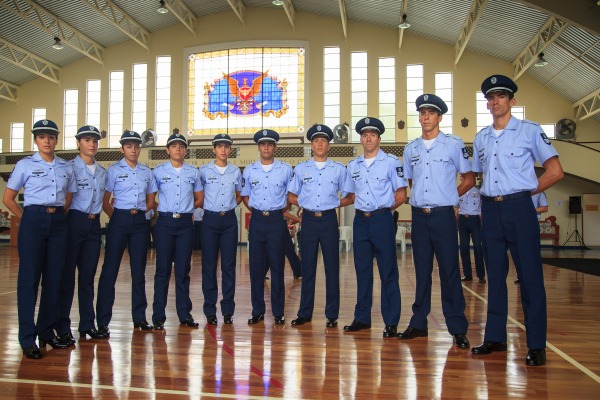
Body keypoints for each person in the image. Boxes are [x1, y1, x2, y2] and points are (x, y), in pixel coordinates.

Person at [471, 74, 564, 366]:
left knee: (530, 277)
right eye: (491, 97)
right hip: (491, 211)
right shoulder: (481, 138)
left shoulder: (530, 131)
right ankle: (496, 338)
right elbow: (478, 177)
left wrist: (526, 191)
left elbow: (555, 170)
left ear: (512, 101)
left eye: (501, 96)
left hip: (519, 209)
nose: (495, 101)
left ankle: (536, 345)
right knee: (495, 277)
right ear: (487, 103)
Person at [398, 94, 473, 349]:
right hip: (420, 217)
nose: (426, 117)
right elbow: (411, 182)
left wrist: (450, 196)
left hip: (443, 216)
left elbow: (469, 179)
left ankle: (457, 327)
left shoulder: (453, 145)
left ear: (440, 117)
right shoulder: (411, 149)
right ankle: (419, 323)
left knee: (450, 271)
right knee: (421, 272)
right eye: (422, 113)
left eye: (431, 113)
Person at [2, 119, 76, 359]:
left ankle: (46, 332)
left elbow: (69, 196)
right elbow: (9, 198)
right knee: (29, 280)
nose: (46, 140)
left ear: (56, 140)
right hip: (33, 220)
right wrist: (26, 218)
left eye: (51, 136)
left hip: (58, 224)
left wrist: (56, 215)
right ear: (35, 140)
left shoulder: (65, 167)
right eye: (42, 136)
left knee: (54, 280)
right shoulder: (24, 165)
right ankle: (27, 338)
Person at [342, 117, 407, 338]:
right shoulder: (353, 166)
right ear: (361, 139)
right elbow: (350, 196)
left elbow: (401, 194)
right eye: (364, 135)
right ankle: (362, 318)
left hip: (382, 220)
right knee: (362, 272)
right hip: (360, 221)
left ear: (379, 138)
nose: (368, 138)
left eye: (372, 134)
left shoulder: (391, 162)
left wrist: (386, 210)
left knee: (388, 271)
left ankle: (391, 322)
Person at [288, 124, 353, 328]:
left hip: (328, 220)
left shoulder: (339, 169)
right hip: (308, 220)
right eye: (316, 140)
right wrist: (305, 203)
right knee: (307, 267)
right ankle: (304, 312)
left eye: (323, 140)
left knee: (332, 267)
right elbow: (290, 195)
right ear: (311, 145)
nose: (320, 143)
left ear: (329, 145)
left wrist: (335, 203)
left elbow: (350, 196)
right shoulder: (300, 169)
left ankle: (332, 314)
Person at [96, 130, 158, 337]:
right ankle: (103, 321)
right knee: (110, 270)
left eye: (136, 146)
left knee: (138, 271)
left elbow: (151, 201)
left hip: (140, 221)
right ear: (122, 149)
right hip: (119, 220)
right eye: (129, 146)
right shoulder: (113, 171)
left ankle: (139, 317)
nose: (133, 150)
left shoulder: (146, 172)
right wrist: (118, 217)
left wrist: (141, 215)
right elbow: (106, 202)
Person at [56, 125, 108, 344]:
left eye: (94, 141)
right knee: (67, 279)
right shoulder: (69, 169)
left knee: (87, 279)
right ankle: (62, 327)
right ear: (79, 143)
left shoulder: (103, 172)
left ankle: (87, 323)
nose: (92, 144)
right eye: (87, 140)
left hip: (93, 226)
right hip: (74, 223)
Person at [151, 132, 203, 330]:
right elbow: (151, 198)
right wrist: (163, 209)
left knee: (183, 270)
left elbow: (199, 198)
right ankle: (158, 316)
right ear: (168, 150)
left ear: (185, 150)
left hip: (185, 226)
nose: (178, 149)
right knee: (162, 270)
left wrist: (187, 210)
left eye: (181, 146)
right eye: (174, 146)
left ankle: (184, 314)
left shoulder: (193, 172)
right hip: (164, 223)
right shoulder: (158, 171)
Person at [241, 129, 293, 325]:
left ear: (275, 147)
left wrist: (279, 211)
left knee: (277, 266)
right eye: (263, 144)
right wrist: (256, 210)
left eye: (270, 144)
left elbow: (289, 196)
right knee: (256, 268)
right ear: (258, 148)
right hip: (257, 222)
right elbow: (245, 196)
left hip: (276, 221)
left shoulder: (286, 170)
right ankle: (257, 310)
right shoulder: (249, 170)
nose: (266, 147)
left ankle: (278, 312)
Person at [199, 133, 242, 325]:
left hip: (229, 222)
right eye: (219, 146)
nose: (223, 150)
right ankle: (209, 310)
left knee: (228, 266)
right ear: (214, 149)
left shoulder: (235, 172)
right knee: (209, 266)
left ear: (230, 149)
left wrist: (230, 205)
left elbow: (240, 194)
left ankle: (227, 311)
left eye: (226, 146)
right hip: (210, 220)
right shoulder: (204, 171)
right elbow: (198, 196)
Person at [514, 191, 549, 284]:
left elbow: (545, 208)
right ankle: (520, 276)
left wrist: (529, 210)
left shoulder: (539, 191)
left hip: (531, 222)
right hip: (517, 222)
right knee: (518, 250)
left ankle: (534, 277)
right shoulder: (517, 189)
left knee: (532, 251)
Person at [456, 177, 486, 283]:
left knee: (478, 247)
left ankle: (481, 275)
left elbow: (483, 207)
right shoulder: (458, 190)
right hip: (462, 219)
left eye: (464, 177)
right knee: (464, 248)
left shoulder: (478, 191)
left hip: (474, 219)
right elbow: (456, 207)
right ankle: (467, 274)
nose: (461, 178)